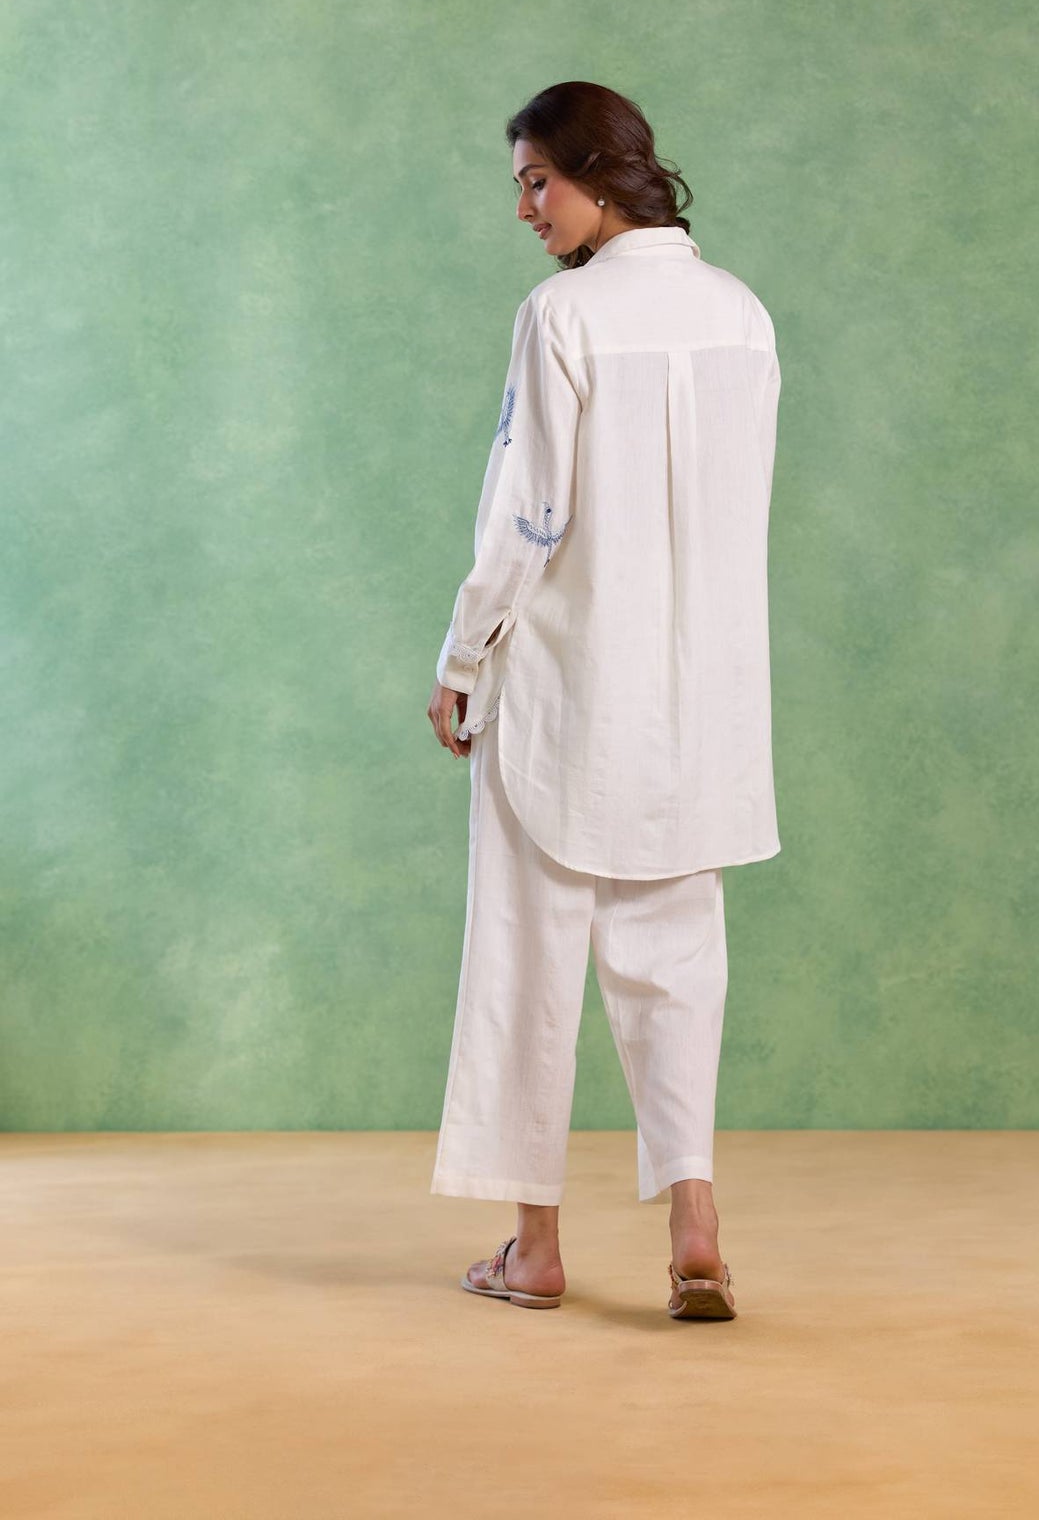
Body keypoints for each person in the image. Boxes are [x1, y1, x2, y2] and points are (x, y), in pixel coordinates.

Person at [426, 81, 781, 1319]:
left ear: (596, 171)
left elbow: (527, 513)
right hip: (700, 703)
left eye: (537, 180)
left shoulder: (562, 314)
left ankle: (536, 1249)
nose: (526, 209)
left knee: (528, 954)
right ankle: (696, 1226)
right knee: (677, 958)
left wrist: (463, 657)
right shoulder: (741, 313)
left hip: (566, 692)